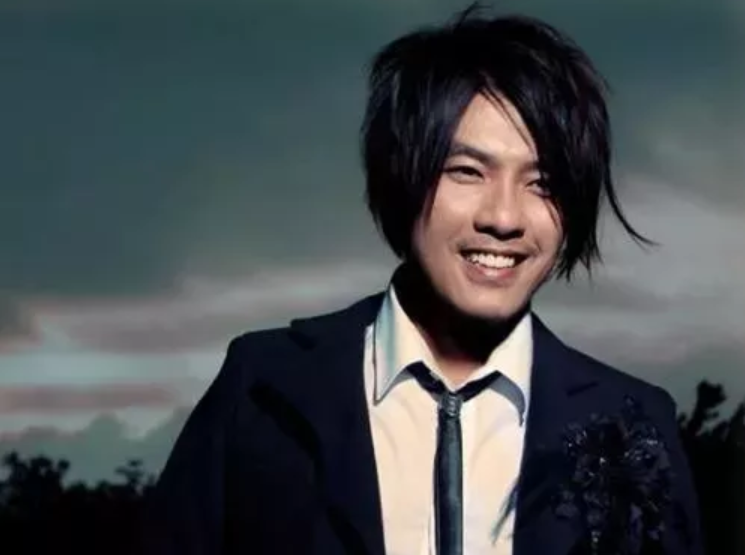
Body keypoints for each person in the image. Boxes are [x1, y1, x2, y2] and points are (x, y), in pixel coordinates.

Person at [139, 7, 703, 555]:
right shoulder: (265, 386)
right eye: (467, 172)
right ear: (402, 175)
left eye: (543, 184)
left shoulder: (632, 420)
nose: (504, 217)